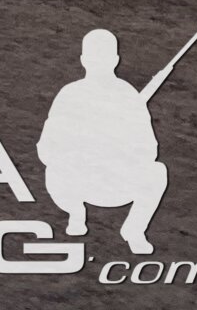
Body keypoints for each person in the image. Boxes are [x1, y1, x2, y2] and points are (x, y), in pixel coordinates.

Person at [39, 27, 174, 254]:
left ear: (115, 60)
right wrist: (77, 152)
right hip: (77, 182)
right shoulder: (69, 94)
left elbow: (149, 150)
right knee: (53, 171)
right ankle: (75, 212)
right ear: (83, 60)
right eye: (94, 57)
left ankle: (134, 230)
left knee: (157, 172)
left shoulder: (128, 96)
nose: (98, 62)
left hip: (117, 182)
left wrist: (120, 148)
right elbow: (46, 148)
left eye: (103, 57)